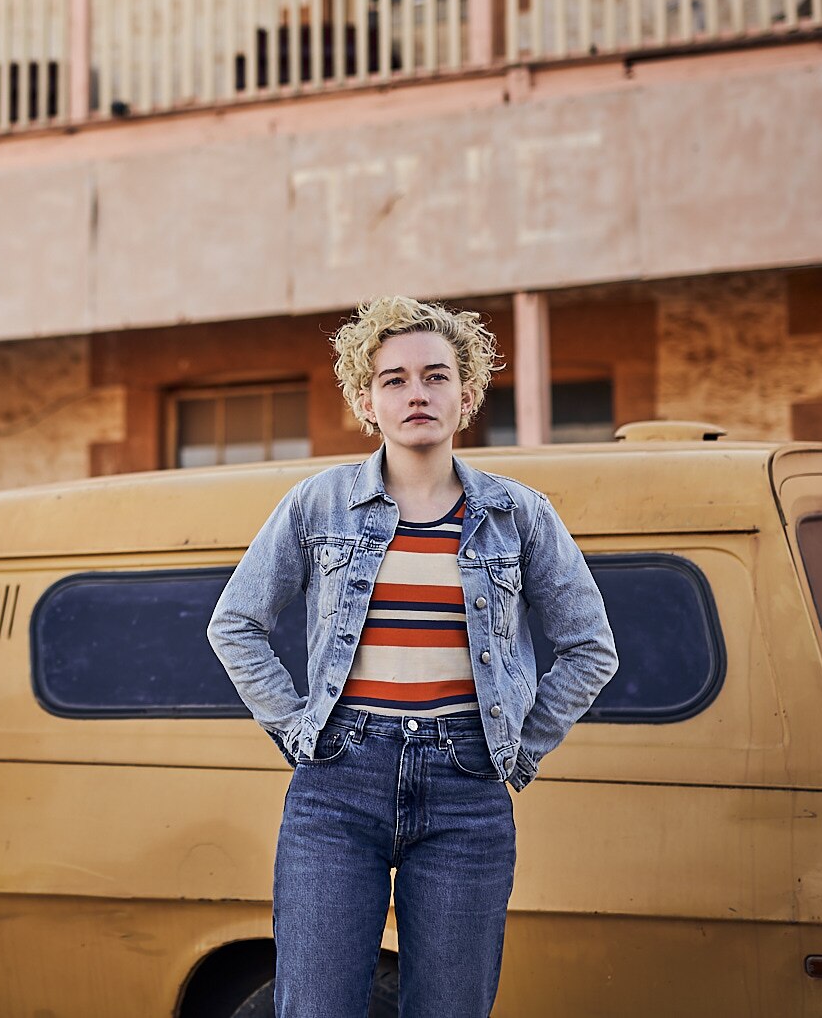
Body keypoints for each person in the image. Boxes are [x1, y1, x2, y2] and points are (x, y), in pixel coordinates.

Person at [208, 296, 617, 1018]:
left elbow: (591, 648)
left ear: (467, 392)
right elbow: (235, 624)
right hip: (337, 786)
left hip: (468, 788)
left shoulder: (518, 513)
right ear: (366, 401)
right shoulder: (318, 504)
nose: (416, 393)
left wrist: (517, 749)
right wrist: (299, 730)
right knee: (316, 1007)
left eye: (435, 376)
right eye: (393, 380)